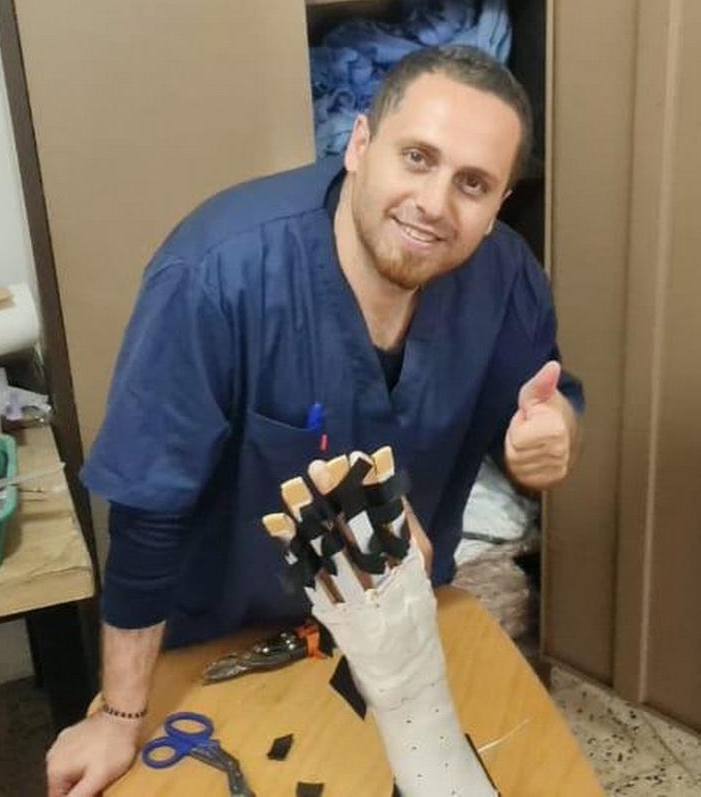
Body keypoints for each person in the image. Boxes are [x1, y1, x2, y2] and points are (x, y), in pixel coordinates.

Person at [45, 45, 584, 797]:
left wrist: (551, 432)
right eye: (418, 158)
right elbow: (147, 514)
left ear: (499, 204)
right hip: (224, 634)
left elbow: (544, 396)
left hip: (400, 628)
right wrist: (120, 713)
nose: (435, 204)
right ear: (360, 145)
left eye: (473, 183)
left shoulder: (505, 276)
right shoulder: (216, 275)